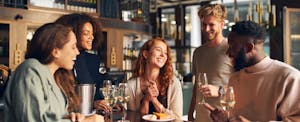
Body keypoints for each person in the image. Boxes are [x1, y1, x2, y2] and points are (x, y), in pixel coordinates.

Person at [3, 23, 104, 122]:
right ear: (55, 51)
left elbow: (51, 117)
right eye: (73, 47)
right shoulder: (30, 70)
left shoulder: (56, 78)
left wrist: (70, 118)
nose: (77, 52)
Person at [204, 21, 300, 122]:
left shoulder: (289, 77)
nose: (228, 53)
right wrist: (225, 119)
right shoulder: (235, 78)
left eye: (232, 47)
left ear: (249, 48)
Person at [55, 13, 110, 112]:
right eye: (86, 33)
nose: (91, 37)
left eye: (92, 33)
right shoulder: (60, 61)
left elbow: (97, 93)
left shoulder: (93, 60)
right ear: (73, 34)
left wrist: (103, 104)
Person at [188, 4, 233, 122]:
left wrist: (219, 90)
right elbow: (196, 86)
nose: (207, 29)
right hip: (200, 118)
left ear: (222, 24)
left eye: (211, 24)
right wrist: (190, 112)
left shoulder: (232, 49)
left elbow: (243, 86)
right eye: (204, 24)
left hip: (223, 118)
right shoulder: (198, 52)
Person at [126, 38, 183, 119]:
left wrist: (154, 100)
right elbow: (134, 118)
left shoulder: (174, 83)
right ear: (146, 54)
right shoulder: (131, 85)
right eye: (158, 50)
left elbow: (177, 119)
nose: (163, 55)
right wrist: (146, 99)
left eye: (165, 53)